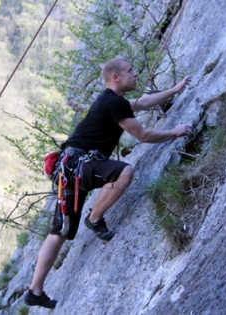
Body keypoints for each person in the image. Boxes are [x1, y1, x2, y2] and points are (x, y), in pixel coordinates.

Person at [24, 57, 193, 309]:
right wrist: (174, 132)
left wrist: (174, 89)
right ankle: (94, 219)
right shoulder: (113, 102)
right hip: (80, 165)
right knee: (124, 171)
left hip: (68, 168)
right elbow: (143, 136)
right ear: (116, 77)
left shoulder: (112, 101)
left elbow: (143, 102)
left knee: (59, 232)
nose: (135, 74)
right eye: (130, 70)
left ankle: (35, 290)